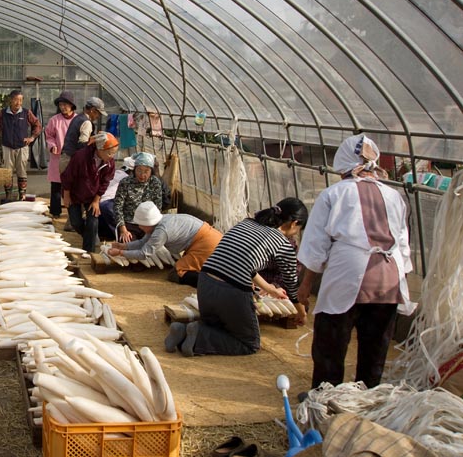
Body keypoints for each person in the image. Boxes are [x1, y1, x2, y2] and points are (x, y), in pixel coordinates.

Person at [297, 134, 413, 392]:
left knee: (332, 342)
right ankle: (367, 397)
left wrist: (304, 288)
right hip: (388, 277)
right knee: (376, 346)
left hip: (348, 273)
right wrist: (400, 279)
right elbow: (403, 244)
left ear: (343, 164)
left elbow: (316, 246)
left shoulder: (334, 194)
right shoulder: (395, 196)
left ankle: (326, 397)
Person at [165, 197, 308, 357]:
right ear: (295, 223)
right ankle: (199, 337)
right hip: (231, 291)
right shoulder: (284, 244)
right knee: (249, 343)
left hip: (205, 282)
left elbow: (244, 264)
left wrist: (269, 289)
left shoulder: (247, 223)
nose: (297, 233)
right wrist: (301, 313)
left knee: (219, 326)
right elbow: (292, 287)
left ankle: (184, 331)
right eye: (299, 229)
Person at [106, 202, 223, 286]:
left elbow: (143, 254)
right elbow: (143, 242)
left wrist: (120, 253)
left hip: (206, 244)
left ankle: (211, 283)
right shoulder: (160, 221)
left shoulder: (161, 231)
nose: (139, 227)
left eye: (141, 224)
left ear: (148, 223)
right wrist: (124, 246)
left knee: (176, 274)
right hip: (211, 238)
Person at [61, 132, 119, 253]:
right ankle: (91, 237)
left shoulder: (109, 163)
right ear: (100, 149)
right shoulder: (80, 157)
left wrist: (96, 200)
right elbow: (68, 176)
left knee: (93, 222)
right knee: (75, 222)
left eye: (114, 153)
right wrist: (66, 195)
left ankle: (89, 252)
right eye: (109, 153)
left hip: (93, 195)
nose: (111, 156)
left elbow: (105, 182)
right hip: (74, 192)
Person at [0, 89, 42, 201]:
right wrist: (3, 133)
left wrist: (32, 138)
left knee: (22, 171)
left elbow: (37, 125)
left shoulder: (26, 112)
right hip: (7, 146)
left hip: (22, 146)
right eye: (16, 100)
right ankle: (8, 196)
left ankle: (22, 196)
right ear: (11, 100)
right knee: (7, 172)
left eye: (20, 100)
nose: (18, 103)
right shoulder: (3, 113)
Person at [112, 152, 170, 242]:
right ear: (134, 169)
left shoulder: (155, 183)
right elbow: (117, 206)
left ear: (151, 171)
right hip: (129, 225)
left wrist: (152, 229)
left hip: (148, 225)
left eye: (146, 171)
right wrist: (123, 229)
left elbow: (157, 207)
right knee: (128, 247)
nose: (142, 175)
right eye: (139, 170)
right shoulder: (125, 182)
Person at [44, 90, 78, 219]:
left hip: (73, 157)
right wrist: (52, 145)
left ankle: (73, 213)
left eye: (66, 104)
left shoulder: (78, 120)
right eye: (61, 104)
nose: (63, 107)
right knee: (56, 186)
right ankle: (55, 212)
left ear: (72, 105)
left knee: (72, 185)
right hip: (57, 156)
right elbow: (49, 136)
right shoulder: (54, 120)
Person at [59, 97, 106, 174]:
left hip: (65, 158)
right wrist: (95, 139)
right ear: (93, 110)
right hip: (72, 161)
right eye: (99, 113)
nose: (98, 117)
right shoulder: (86, 122)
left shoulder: (78, 117)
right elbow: (82, 145)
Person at [98, 157, 135, 240]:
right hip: (108, 206)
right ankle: (123, 237)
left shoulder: (116, 173)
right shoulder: (127, 179)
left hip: (100, 205)